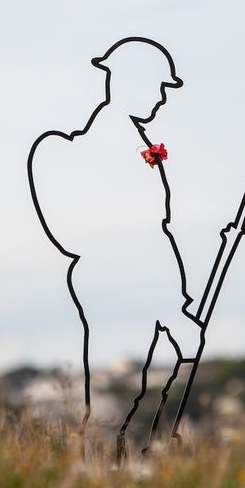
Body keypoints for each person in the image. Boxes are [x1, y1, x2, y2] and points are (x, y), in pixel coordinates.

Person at [27, 37, 205, 458]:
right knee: (121, 400)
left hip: (156, 290)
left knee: (152, 386)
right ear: (128, 82)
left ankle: (131, 467)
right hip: (120, 289)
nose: (162, 99)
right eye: (158, 87)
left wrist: (174, 303)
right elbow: (121, 238)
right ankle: (101, 472)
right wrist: (165, 302)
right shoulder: (86, 149)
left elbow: (155, 232)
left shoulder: (136, 143)